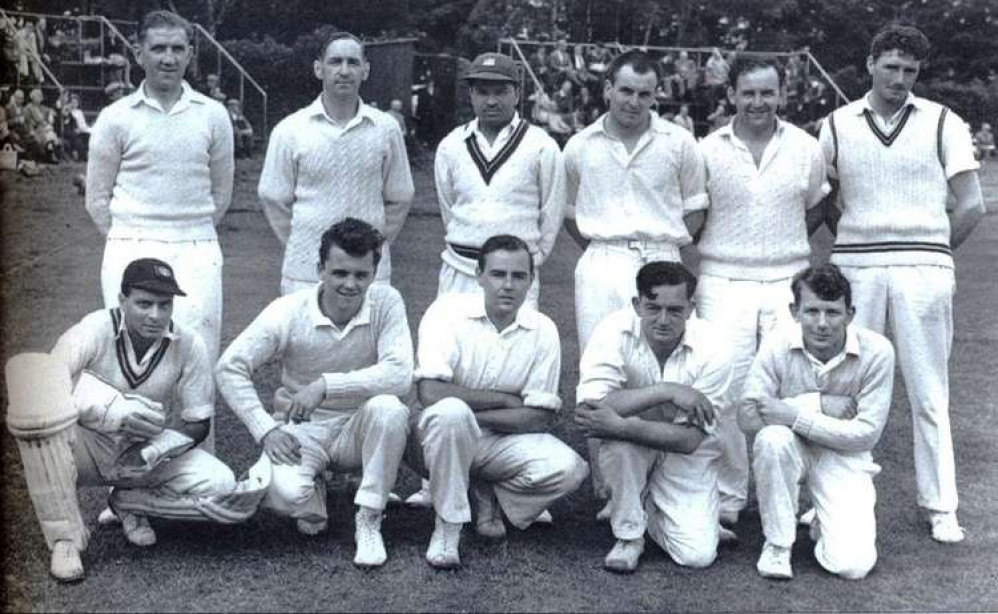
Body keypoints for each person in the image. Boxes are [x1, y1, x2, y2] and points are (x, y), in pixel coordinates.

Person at [819, 24, 984, 543]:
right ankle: (829, 497)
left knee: (928, 391)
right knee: (841, 386)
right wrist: (856, 243)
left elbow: (972, 203)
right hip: (856, 269)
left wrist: (931, 251)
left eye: (910, 71)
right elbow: (825, 199)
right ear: (870, 64)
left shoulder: (942, 121)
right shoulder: (837, 124)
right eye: (890, 67)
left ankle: (941, 506)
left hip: (922, 272)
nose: (899, 78)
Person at [5, 258, 238, 583]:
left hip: (144, 452)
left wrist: (155, 450)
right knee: (41, 433)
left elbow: (199, 422)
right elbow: (47, 379)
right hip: (87, 447)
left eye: (164, 305)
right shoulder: (95, 329)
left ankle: (129, 501)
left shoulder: (189, 344)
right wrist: (111, 410)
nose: (155, 315)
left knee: (221, 484)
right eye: (144, 304)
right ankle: (65, 540)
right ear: (122, 300)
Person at [216, 218, 412, 568]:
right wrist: (266, 429)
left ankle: (369, 517)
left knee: (390, 409)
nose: (350, 284)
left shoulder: (387, 302)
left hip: (360, 428)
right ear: (320, 269)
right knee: (284, 495)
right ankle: (313, 488)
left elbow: (400, 374)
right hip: (303, 430)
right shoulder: (289, 310)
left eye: (361, 275)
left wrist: (326, 385)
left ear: (374, 272)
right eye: (339, 273)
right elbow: (229, 367)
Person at [564, 49, 707, 500]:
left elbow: (696, 211)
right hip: (603, 260)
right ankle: (607, 488)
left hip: (662, 257)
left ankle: (664, 480)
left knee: (666, 361)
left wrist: (664, 255)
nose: (633, 101)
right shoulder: (580, 145)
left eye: (644, 93)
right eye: (625, 90)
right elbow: (570, 214)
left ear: (656, 95)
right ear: (608, 89)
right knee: (601, 366)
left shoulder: (679, 142)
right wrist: (608, 249)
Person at [696, 55, 830, 526]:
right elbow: (697, 216)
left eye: (767, 93)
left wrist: (782, 251)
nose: (758, 102)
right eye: (748, 92)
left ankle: (791, 497)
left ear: (782, 95)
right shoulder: (707, 149)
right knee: (725, 390)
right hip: (722, 280)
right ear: (731, 93)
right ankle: (728, 495)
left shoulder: (807, 148)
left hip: (786, 281)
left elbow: (813, 209)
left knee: (794, 388)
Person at [409, 235, 588, 569]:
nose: (508, 285)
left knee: (570, 469)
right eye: (498, 274)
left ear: (531, 281)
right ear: (479, 275)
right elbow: (429, 394)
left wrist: (475, 417)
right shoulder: (447, 311)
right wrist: (504, 401)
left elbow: (539, 417)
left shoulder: (543, 329)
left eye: (518, 276)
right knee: (449, 414)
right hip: (433, 439)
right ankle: (448, 525)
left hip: (496, 441)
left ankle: (486, 492)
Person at [85, 10, 233, 375]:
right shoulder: (115, 117)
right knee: (131, 359)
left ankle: (197, 432)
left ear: (190, 53)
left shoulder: (213, 115)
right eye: (159, 48)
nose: (169, 58)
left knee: (196, 355)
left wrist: (187, 230)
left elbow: (221, 192)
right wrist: (132, 235)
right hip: (131, 242)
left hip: (196, 246)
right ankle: (130, 432)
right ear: (139, 53)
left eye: (178, 48)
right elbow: (97, 199)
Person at [739, 264, 895, 580]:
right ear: (794, 311)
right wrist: (819, 404)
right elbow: (747, 416)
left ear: (850, 314)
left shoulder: (877, 351)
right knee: (772, 440)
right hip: (791, 447)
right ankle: (778, 544)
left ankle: (822, 520)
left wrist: (794, 413)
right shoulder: (777, 343)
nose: (822, 324)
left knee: (852, 566)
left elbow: (865, 436)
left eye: (832, 312)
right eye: (811, 311)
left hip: (843, 455)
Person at [575, 261, 731, 573]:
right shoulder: (612, 330)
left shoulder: (714, 346)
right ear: (637, 304)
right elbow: (590, 411)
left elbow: (689, 440)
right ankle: (629, 536)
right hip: (630, 450)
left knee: (696, 555)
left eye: (674, 310)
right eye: (653, 307)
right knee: (620, 447)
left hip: (685, 453)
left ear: (691, 308)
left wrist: (622, 424)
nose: (662, 320)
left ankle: (653, 509)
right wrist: (665, 391)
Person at [258, 31, 414, 294]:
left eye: (353, 63)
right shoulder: (290, 129)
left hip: (369, 274)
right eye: (335, 62)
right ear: (319, 69)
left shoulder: (386, 128)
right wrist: (304, 244)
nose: (344, 71)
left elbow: (400, 196)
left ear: (365, 70)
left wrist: (373, 246)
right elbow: (273, 196)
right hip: (305, 274)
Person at [433, 52, 566, 308]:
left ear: (516, 94)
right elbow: (448, 209)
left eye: (501, 92)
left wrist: (530, 262)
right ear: (471, 95)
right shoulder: (451, 145)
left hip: (514, 276)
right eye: (482, 92)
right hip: (459, 270)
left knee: (514, 345)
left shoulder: (541, 145)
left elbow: (552, 211)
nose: (491, 101)